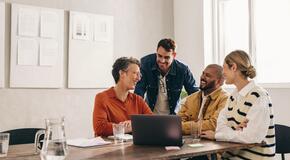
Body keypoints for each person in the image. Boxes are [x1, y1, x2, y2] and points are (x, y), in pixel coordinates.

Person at [201, 50, 275, 159]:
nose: (223, 73)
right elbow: (220, 127)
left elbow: (251, 137)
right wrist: (236, 129)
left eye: (224, 67)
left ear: (234, 67)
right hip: (231, 156)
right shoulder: (233, 96)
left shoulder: (259, 96)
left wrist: (220, 134)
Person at [134, 38, 199, 115]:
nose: (162, 61)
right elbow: (139, 91)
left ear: (174, 55)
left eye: (166, 57)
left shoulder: (183, 70)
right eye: (159, 56)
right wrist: (137, 115)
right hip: (150, 114)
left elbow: (194, 94)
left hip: (173, 116)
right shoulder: (146, 63)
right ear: (156, 51)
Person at [93, 57, 152, 137]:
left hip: (133, 147)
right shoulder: (102, 98)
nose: (138, 78)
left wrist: (133, 124)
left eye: (139, 74)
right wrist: (126, 127)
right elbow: (100, 128)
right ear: (122, 74)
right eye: (135, 73)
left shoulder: (138, 100)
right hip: (110, 148)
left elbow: (152, 121)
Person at [178, 64, 228, 134]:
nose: (202, 77)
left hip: (214, 142)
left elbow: (213, 124)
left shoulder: (225, 99)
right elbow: (177, 122)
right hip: (190, 140)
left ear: (219, 82)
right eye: (203, 73)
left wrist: (186, 127)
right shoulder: (190, 98)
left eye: (208, 76)